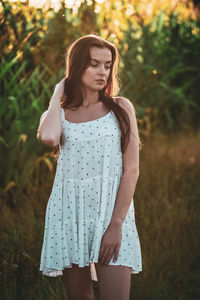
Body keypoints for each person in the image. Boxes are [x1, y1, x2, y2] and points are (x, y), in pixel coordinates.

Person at [37, 34, 142, 300]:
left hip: (112, 216)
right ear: (77, 66)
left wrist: (115, 225)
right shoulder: (58, 114)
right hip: (70, 216)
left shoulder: (121, 108)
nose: (103, 72)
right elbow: (49, 138)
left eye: (107, 66)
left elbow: (131, 170)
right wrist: (58, 93)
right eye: (94, 64)